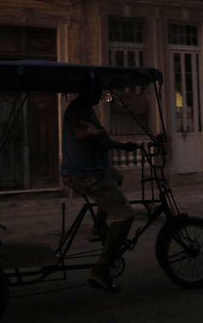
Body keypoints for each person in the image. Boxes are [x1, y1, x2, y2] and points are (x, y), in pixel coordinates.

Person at [61, 77, 136, 293]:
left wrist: (123, 146)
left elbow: (102, 141)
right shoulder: (79, 108)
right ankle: (101, 270)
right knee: (125, 215)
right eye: (98, 90)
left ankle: (99, 225)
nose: (100, 94)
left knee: (117, 176)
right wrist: (93, 131)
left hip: (91, 170)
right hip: (86, 174)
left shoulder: (87, 109)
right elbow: (80, 130)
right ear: (89, 90)